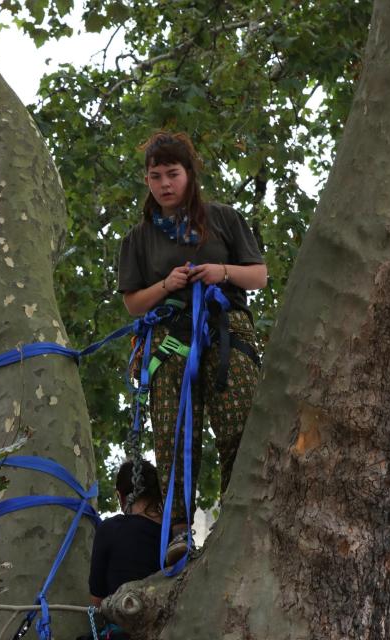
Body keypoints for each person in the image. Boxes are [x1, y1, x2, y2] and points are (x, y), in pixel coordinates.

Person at [117, 131, 267, 564]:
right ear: (147, 181)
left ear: (189, 175)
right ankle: (179, 529)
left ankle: (237, 515)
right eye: (155, 176)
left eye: (172, 174)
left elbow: (258, 276)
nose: (164, 184)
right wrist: (166, 285)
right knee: (174, 432)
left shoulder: (223, 219)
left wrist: (221, 271)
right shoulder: (139, 239)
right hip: (169, 340)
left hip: (225, 331)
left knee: (239, 421)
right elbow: (133, 304)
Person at [88, 460, 163, 605]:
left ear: (120, 496)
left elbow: (96, 599)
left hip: (121, 623)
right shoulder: (177, 536)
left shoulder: (109, 529)